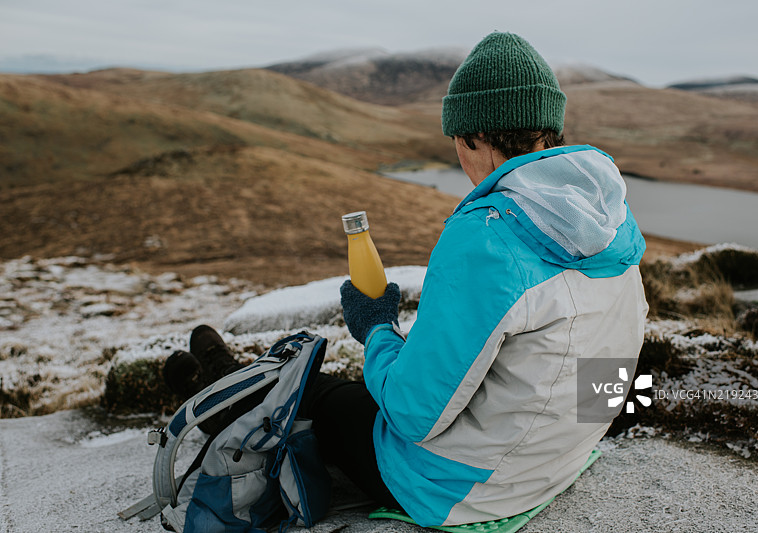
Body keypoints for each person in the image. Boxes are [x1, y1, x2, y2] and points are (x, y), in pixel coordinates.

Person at [165, 31, 648, 528]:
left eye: (456, 142)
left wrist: (375, 326)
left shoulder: (486, 239)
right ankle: (212, 375)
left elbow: (413, 412)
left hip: (470, 489)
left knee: (311, 397)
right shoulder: (612, 219)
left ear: (473, 137)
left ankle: (208, 384)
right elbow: (604, 359)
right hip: (560, 460)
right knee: (349, 391)